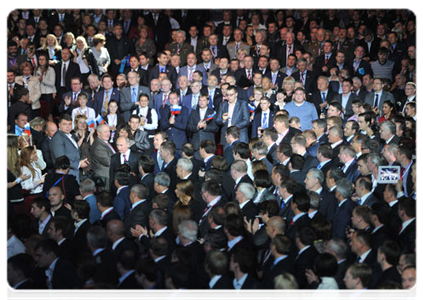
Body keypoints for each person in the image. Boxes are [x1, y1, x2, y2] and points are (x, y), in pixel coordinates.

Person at [50, 114, 89, 183]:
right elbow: (61, 159)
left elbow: (74, 152)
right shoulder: (58, 138)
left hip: (74, 173)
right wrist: (78, 164)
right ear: (59, 125)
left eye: (70, 124)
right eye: (65, 124)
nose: (68, 127)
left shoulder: (69, 135)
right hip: (66, 175)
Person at [34, 52, 56, 120]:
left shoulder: (51, 69)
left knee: (49, 114)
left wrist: (42, 80)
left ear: (46, 60)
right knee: (40, 113)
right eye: (40, 59)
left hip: (48, 93)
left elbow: (52, 83)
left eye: (43, 59)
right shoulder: (36, 70)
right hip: (39, 93)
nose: (41, 61)